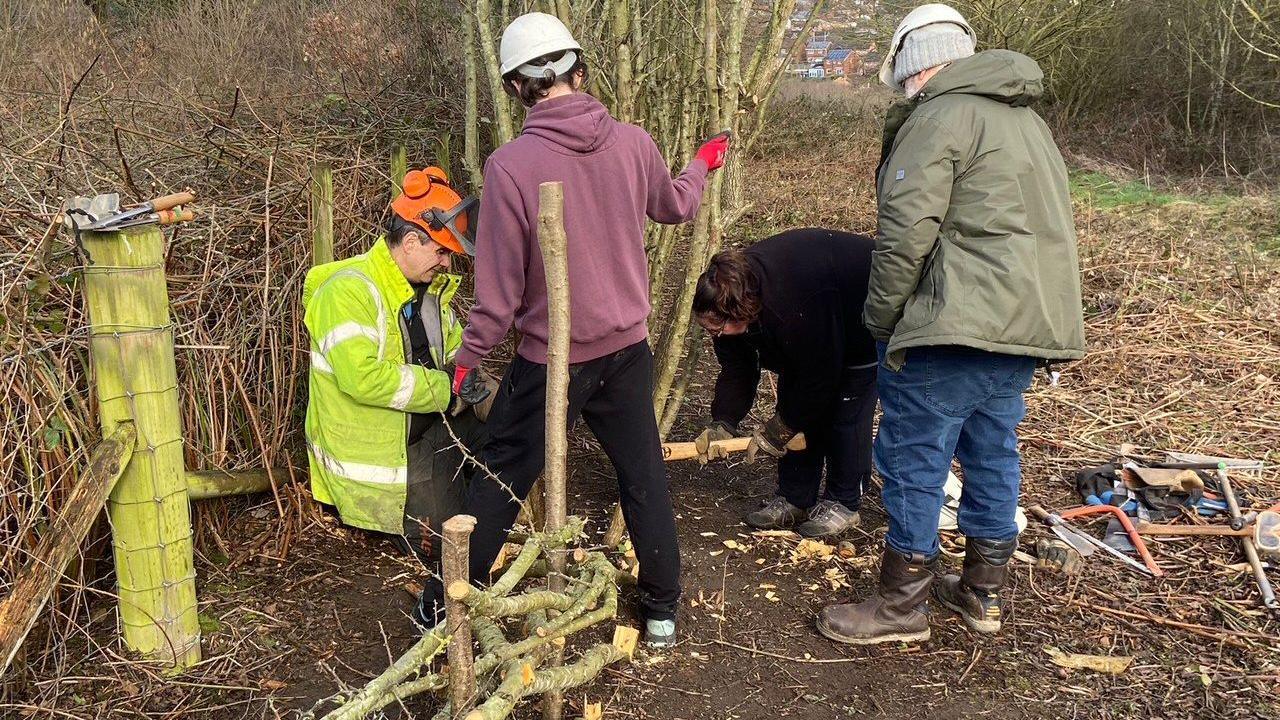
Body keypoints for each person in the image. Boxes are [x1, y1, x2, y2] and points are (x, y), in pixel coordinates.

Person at [420, 12, 730, 646]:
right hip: (627, 350)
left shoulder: (511, 165)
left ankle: (437, 611)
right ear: (580, 71)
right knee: (641, 473)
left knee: (503, 477)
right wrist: (701, 163)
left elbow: (499, 295)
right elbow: (676, 204)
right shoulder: (636, 141)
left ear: (514, 89)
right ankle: (663, 611)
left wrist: (465, 358)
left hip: (552, 359)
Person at [817, 3, 1085, 645]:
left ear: (912, 63)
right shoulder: (1028, 123)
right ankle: (982, 595)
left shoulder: (937, 117)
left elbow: (906, 234)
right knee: (993, 452)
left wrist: (881, 321)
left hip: (951, 324)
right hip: (1024, 326)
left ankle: (900, 605)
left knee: (914, 458)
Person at [303, 166, 496, 567]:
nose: (447, 264)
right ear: (410, 241)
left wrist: (477, 380)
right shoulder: (347, 291)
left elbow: (457, 348)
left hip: (425, 430)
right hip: (384, 460)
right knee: (449, 554)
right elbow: (363, 379)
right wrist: (449, 389)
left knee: (507, 427)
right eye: (441, 252)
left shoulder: (426, 290)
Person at [691, 228, 878, 539]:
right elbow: (737, 367)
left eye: (716, 326)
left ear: (738, 314)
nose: (714, 334)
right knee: (794, 398)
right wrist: (723, 421)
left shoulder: (787, 303)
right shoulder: (729, 303)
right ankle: (795, 497)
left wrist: (776, 432)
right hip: (814, 332)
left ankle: (844, 501)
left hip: (859, 318)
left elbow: (819, 378)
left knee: (845, 415)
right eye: (707, 326)